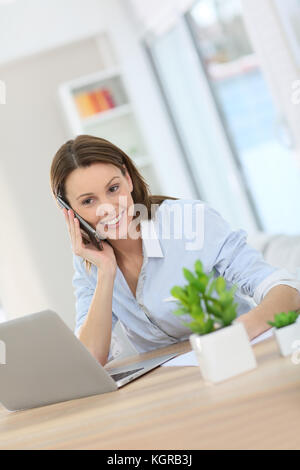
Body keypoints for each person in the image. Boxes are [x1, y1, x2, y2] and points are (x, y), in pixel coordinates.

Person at [50, 135, 300, 366]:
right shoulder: (89, 261)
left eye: (113, 189)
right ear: (69, 211)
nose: (107, 208)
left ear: (127, 179)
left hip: (244, 359)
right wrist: (106, 273)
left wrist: (234, 335)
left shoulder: (189, 221)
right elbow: (90, 359)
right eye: (88, 201)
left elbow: (287, 292)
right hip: (175, 385)